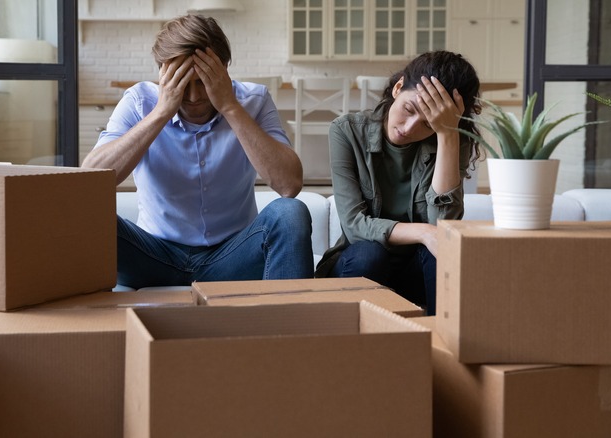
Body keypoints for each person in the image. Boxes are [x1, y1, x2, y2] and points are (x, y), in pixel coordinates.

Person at [82, 14, 313, 289]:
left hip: (231, 257)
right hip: (153, 256)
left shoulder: (254, 100)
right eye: (182, 83)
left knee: (291, 213)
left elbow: (290, 185)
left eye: (203, 81)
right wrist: (161, 112)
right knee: (85, 215)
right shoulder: (139, 101)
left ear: (224, 69)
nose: (193, 97)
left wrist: (230, 107)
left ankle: (288, 329)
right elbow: (90, 179)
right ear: (163, 74)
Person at [314, 51, 482, 316]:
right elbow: (355, 225)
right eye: (409, 109)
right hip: (360, 266)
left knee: (441, 253)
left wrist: (447, 135)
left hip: (415, 273)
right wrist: (423, 233)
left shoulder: (449, 142)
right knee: (370, 254)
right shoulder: (346, 131)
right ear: (398, 87)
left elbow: (444, 225)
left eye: (428, 124)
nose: (409, 128)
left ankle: (442, 347)